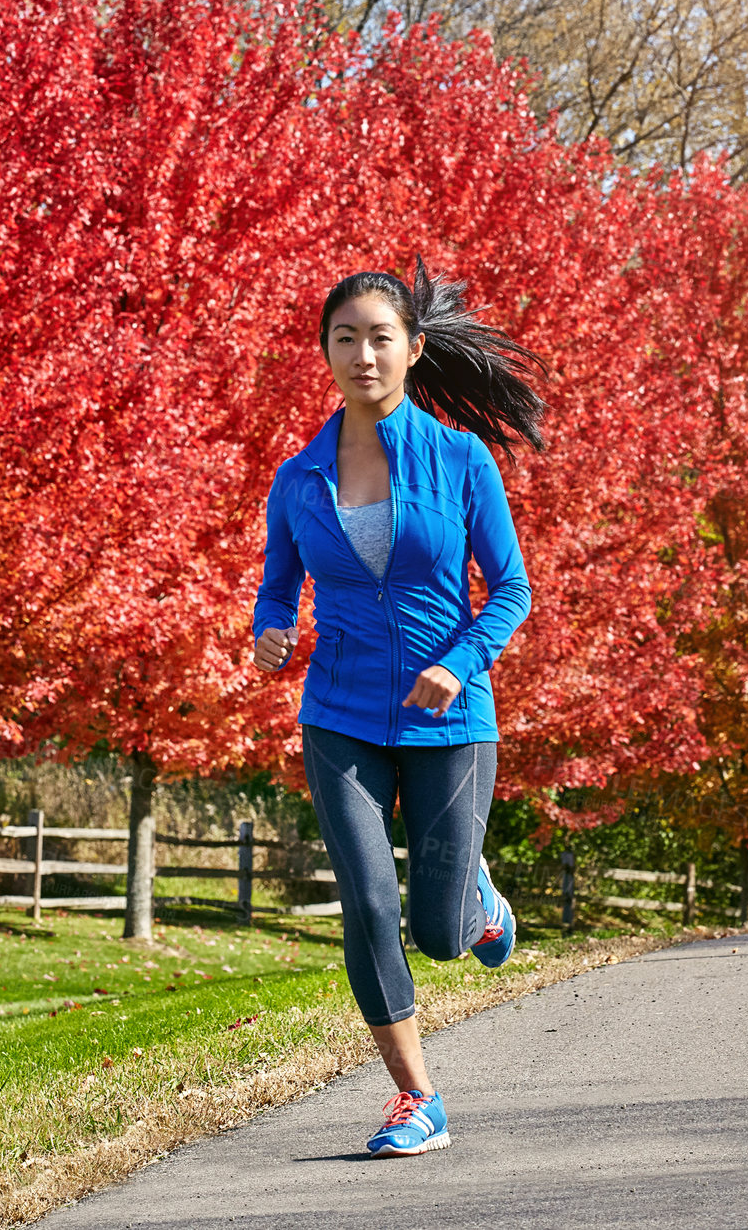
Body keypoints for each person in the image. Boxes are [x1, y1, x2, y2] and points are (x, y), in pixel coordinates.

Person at [252, 258, 545, 1157]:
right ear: (326, 353)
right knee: (369, 903)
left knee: (440, 934)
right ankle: (417, 1097)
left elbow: (511, 589)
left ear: (414, 350)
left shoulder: (462, 459)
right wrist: (269, 631)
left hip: (450, 718)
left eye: (381, 338)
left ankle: (480, 907)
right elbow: (278, 586)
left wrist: (460, 663)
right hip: (338, 711)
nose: (363, 354)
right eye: (346, 339)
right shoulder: (298, 477)